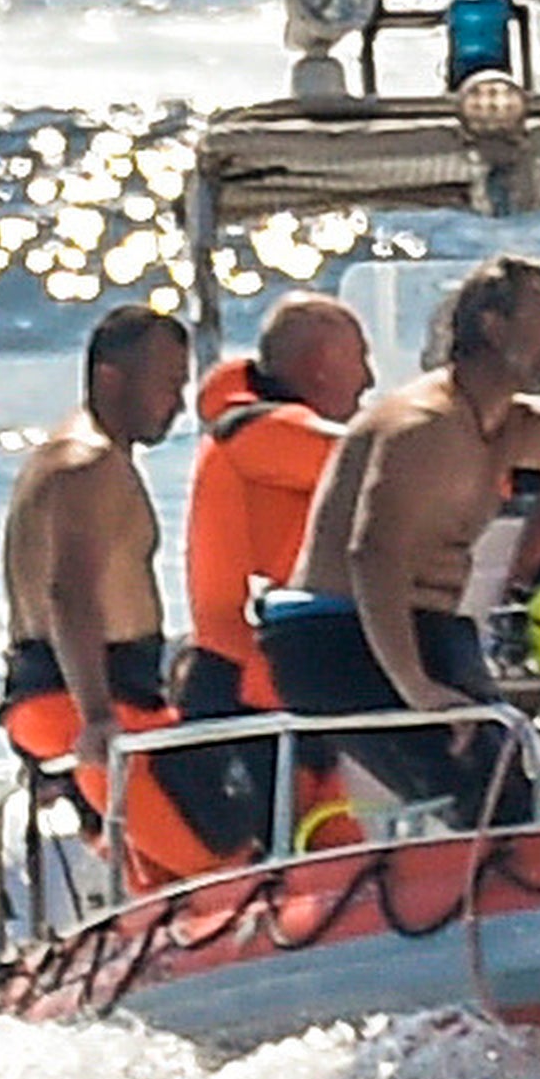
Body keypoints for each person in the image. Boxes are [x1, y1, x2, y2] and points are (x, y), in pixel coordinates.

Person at [269, 248, 540, 827]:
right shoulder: (424, 425)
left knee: (518, 778)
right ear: (493, 326)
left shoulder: (500, 426)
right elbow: (373, 556)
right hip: (339, 639)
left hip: (421, 630)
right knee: (492, 793)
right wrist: (416, 689)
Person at [0, 306, 229, 879]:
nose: (178, 403)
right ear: (109, 378)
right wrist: (98, 716)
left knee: (160, 878)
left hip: (73, 695)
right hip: (87, 703)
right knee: (224, 863)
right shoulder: (90, 464)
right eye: (165, 385)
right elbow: (68, 594)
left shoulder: (61, 457)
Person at [177, 288, 367, 743]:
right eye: (362, 358)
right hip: (248, 691)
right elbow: (380, 462)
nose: (370, 378)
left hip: (273, 679)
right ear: (322, 365)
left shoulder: (254, 431)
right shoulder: (258, 433)